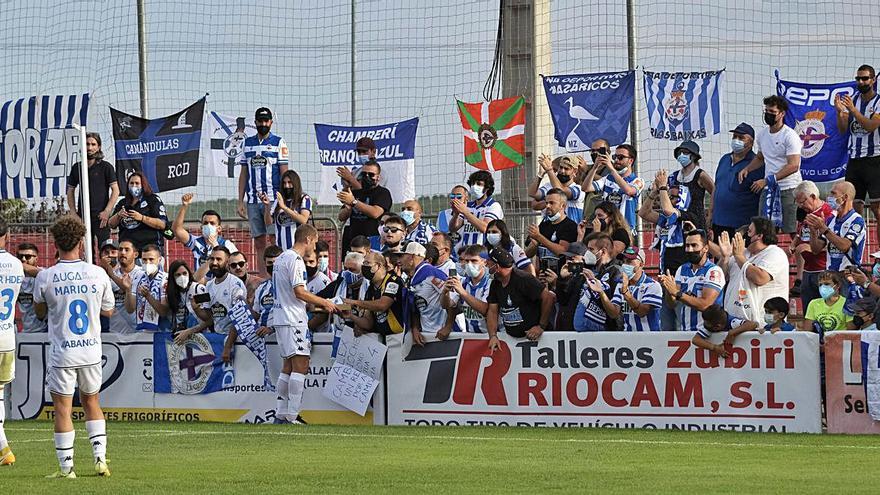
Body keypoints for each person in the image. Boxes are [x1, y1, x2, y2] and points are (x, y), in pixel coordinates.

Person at [33, 215, 114, 477]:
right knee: (92, 401)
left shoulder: (46, 276)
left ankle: (67, 469)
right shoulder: (97, 273)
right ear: (82, 242)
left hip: (63, 353)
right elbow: (109, 311)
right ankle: (100, 459)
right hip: (90, 349)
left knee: (63, 409)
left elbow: (40, 311)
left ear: (55, 243)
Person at [272, 225, 337, 424]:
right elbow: (299, 292)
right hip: (293, 319)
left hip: (281, 317)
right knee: (301, 365)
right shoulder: (296, 260)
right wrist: (324, 302)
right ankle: (292, 415)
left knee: (288, 366)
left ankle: (281, 413)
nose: (315, 247)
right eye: (315, 242)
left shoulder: (282, 258)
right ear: (308, 239)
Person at [737, 95, 803, 234]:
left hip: (788, 189)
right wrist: (747, 169)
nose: (768, 115)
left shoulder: (790, 136)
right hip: (768, 189)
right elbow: (761, 158)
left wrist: (767, 180)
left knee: (789, 230)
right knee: (764, 229)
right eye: (766, 111)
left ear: (782, 114)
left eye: (772, 112)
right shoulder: (762, 135)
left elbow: (793, 165)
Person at [237, 107, 289, 275]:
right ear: (256, 122)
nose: (263, 124)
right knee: (259, 242)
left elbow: (284, 173)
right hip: (252, 201)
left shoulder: (278, 142)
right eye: (260, 121)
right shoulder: (247, 143)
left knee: (274, 240)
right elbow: (243, 173)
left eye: (266, 121)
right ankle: (263, 277)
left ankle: (278, 275)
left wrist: (284, 200)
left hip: (273, 201)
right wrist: (240, 200)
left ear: (271, 123)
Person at [837, 64, 880, 248]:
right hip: (854, 160)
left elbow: (871, 126)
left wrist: (853, 111)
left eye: (865, 79)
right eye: (858, 79)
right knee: (853, 209)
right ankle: (855, 252)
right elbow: (842, 129)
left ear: (873, 80)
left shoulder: (878, 102)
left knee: (878, 210)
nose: (861, 82)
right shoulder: (853, 99)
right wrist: (839, 112)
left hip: (875, 160)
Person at [718, 218, 789, 323]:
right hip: (734, 321)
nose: (744, 236)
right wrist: (725, 257)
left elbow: (760, 278)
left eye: (749, 231)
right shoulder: (744, 254)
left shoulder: (775, 253)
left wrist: (738, 256)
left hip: (764, 325)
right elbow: (719, 278)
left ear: (760, 236)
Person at [485, 248, 554, 351]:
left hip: (539, 343)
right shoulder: (496, 283)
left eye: (489, 263)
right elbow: (492, 311)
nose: (486, 265)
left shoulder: (523, 279)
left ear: (497, 266)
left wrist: (541, 326)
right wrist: (493, 336)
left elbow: (549, 297)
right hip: (513, 343)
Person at [658, 229, 725, 331]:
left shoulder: (714, 271)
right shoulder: (682, 269)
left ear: (705, 248)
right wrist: (668, 289)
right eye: (687, 246)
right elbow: (672, 304)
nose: (689, 250)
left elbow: (705, 305)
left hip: (708, 334)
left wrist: (677, 292)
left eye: (694, 245)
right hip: (685, 332)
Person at [66, 132, 119, 253]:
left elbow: (116, 190)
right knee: (86, 252)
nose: (90, 147)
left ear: (98, 146)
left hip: (101, 218)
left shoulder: (106, 167)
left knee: (105, 251)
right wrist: (74, 213)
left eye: (93, 144)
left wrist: (107, 211)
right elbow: (70, 191)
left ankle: (106, 272)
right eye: (87, 144)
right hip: (83, 217)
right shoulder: (77, 167)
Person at [193, 246, 246, 362]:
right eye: (212, 259)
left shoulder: (236, 284)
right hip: (218, 339)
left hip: (235, 341)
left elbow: (239, 318)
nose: (214, 262)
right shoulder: (209, 285)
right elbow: (208, 317)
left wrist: (228, 346)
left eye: (219, 259)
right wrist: (196, 308)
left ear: (227, 263)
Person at [711, 123, 761, 240]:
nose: (736, 140)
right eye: (735, 137)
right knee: (720, 257)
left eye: (741, 137)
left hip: (741, 226)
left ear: (751, 142)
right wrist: (711, 212)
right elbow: (716, 187)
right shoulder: (724, 159)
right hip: (718, 222)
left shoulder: (756, 163)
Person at [0, 220, 23, 466]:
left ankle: (4, 448)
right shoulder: (16, 264)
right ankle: (3, 447)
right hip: (7, 336)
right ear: (6, 235)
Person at [792, 181, 835, 310]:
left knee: (827, 311)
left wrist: (810, 247)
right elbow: (800, 233)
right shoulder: (803, 213)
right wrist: (793, 245)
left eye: (803, 201)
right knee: (809, 312)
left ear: (813, 196)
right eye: (798, 202)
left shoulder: (829, 213)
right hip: (807, 270)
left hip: (823, 269)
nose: (800, 205)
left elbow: (835, 240)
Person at [400, 242, 454, 343]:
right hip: (427, 334)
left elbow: (455, 301)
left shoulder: (432, 274)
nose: (399, 260)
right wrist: (415, 328)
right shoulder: (412, 278)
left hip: (445, 335)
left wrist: (448, 326)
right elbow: (415, 306)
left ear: (412, 258)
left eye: (402, 256)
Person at [582, 143, 644, 231]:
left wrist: (611, 169)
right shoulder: (608, 178)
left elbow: (629, 191)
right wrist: (595, 167)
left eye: (621, 157)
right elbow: (585, 188)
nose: (616, 160)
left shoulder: (638, 181)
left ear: (630, 161)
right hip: (606, 228)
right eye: (615, 157)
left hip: (625, 229)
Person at [806, 181, 865, 272]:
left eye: (833, 193)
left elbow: (844, 246)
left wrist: (823, 228)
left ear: (845, 197)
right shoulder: (830, 220)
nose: (829, 197)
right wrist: (813, 231)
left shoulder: (857, 220)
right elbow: (815, 249)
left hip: (849, 275)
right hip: (831, 275)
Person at [599, 248, 663, 331]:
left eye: (629, 261)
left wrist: (626, 292)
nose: (624, 265)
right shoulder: (620, 284)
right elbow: (614, 313)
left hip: (649, 337)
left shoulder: (652, 285)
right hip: (629, 337)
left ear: (641, 264)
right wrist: (601, 292)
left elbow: (642, 312)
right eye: (623, 261)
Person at [338, 160, 392, 256]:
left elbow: (375, 213)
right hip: (354, 241)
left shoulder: (383, 193)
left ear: (378, 177)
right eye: (364, 174)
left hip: (373, 242)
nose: (367, 177)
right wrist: (348, 209)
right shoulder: (355, 193)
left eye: (371, 175)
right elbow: (341, 217)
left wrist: (354, 202)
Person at [172, 193, 238, 270]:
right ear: (201, 227)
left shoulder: (227, 245)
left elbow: (236, 264)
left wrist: (216, 247)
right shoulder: (196, 242)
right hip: (200, 280)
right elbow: (176, 230)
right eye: (205, 223)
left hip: (219, 281)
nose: (208, 225)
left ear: (219, 228)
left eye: (212, 223)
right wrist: (184, 206)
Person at [347, 251, 407, 336]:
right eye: (363, 263)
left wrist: (354, 302)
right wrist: (350, 316)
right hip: (381, 339)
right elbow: (368, 323)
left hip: (398, 337)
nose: (364, 266)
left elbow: (382, 305)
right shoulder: (370, 289)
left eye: (367, 263)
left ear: (378, 266)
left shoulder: (393, 281)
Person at [108, 172, 168, 252]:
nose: (134, 186)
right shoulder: (123, 202)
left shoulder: (152, 199)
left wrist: (142, 218)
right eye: (131, 183)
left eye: (137, 183)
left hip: (149, 251)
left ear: (143, 185)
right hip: (128, 252)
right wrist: (118, 215)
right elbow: (111, 224)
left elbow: (162, 224)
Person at [526, 188, 578, 275]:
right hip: (541, 276)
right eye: (546, 203)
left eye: (552, 203)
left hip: (559, 277)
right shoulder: (543, 225)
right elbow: (528, 254)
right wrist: (535, 243)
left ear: (563, 206)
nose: (547, 206)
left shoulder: (570, 226)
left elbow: (562, 251)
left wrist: (539, 237)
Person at [441, 245, 491, 333]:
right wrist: (445, 292)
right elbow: (447, 305)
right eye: (467, 261)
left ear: (485, 262)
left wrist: (462, 292)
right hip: (470, 336)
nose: (469, 264)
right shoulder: (463, 282)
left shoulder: (490, 283)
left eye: (474, 261)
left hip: (489, 336)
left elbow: (484, 309)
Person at [667, 140, 715, 230]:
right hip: (678, 220)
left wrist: (710, 214)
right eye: (679, 153)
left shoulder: (700, 174)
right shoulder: (675, 175)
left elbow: (714, 191)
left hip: (696, 220)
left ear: (693, 156)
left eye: (685, 153)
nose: (681, 155)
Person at [261, 169, 312, 252]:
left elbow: (303, 220)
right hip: (281, 250)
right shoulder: (279, 201)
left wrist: (284, 208)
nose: (287, 186)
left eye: (289, 182)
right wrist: (267, 207)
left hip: (298, 250)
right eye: (284, 183)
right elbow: (268, 223)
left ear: (296, 183)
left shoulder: (304, 199)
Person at [122, 244, 170, 332]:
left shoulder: (166, 279)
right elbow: (130, 309)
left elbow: (164, 312)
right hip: (142, 330)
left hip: (161, 330)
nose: (147, 263)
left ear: (159, 260)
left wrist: (148, 296)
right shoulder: (138, 276)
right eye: (144, 260)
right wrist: (128, 290)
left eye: (151, 259)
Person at [449, 170, 503, 247]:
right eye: (472, 184)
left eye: (479, 184)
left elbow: (485, 228)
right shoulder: (468, 205)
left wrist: (466, 212)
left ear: (487, 187)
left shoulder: (493, 205)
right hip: (466, 250)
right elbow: (453, 229)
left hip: (483, 251)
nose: (474, 186)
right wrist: (456, 214)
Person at [550, 242, 596, 332]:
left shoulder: (590, 275)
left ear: (583, 259)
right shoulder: (571, 277)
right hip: (566, 326)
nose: (569, 262)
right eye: (567, 258)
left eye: (572, 258)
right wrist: (562, 280)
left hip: (582, 327)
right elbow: (563, 300)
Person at [102, 239, 142, 334]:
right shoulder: (109, 275)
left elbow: (129, 289)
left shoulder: (141, 273)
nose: (123, 252)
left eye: (127, 250)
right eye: (120, 249)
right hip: (115, 331)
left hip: (138, 332)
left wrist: (111, 274)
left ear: (135, 254)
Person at [529, 154, 584, 222]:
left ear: (575, 171)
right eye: (561, 167)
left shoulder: (578, 189)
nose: (562, 171)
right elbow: (532, 194)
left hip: (570, 230)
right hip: (549, 229)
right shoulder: (549, 186)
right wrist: (540, 175)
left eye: (566, 169)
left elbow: (560, 191)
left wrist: (549, 169)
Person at [168, 261, 211, 343]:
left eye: (184, 273)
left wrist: (189, 331)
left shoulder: (198, 289)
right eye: (178, 275)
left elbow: (210, 319)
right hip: (182, 338)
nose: (182, 277)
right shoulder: (173, 293)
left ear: (189, 274)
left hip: (203, 337)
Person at [693, 305, 757, 358]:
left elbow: (753, 324)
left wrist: (732, 333)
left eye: (707, 323)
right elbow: (695, 340)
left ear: (718, 326)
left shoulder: (733, 322)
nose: (704, 324)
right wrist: (714, 347)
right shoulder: (709, 326)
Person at [252, 246, 284, 339]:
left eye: (276, 262)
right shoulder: (261, 288)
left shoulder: (290, 287)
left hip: (282, 337)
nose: (273, 266)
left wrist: (272, 329)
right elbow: (256, 313)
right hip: (262, 338)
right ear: (265, 264)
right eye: (270, 263)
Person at [16, 242, 46, 333]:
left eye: (28, 256)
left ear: (36, 259)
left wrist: (17, 264)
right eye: (20, 257)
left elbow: (41, 274)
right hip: (25, 330)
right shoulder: (15, 277)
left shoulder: (44, 274)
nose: (23, 259)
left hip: (45, 330)